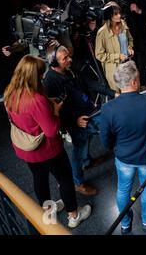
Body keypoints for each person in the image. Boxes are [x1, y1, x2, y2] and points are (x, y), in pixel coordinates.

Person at [4, 55, 91, 228]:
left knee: (39, 179)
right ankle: (73, 215)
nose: (43, 78)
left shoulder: (10, 92)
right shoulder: (36, 100)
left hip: (27, 150)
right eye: (41, 75)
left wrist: (47, 105)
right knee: (65, 178)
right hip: (48, 150)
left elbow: (26, 117)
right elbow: (51, 131)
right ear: (34, 76)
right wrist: (56, 110)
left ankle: (49, 209)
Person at [100, 61, 146, 234]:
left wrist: (115, 149)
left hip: (123, 158)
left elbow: (105, 139)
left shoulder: (108, 109)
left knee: (123, 189)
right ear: (135, 82)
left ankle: (125, 223)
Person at [43, 43, 117, 196]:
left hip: (88, 112)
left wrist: (112, 93)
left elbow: (91, 84)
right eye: (65, 58)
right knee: (79, 149)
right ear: (54, 62)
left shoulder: (69, 69)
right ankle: (78, 182)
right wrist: (73, 121)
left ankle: (87, 162)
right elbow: (54, 111)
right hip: (76, 121)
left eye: (68, 56)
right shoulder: (50, 81)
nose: (69, 59)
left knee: (85, 141)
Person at [95, 1, 134, 90]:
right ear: (109, 16)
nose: (119, 16)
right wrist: (117, 56)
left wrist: (130, 47)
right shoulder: (102, 32)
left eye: (119, 13)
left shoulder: (123, 24)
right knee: (120, 96)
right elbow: (99, 55)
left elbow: (130, 39)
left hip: (128, 64)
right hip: (114, 70)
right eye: (115, 14)